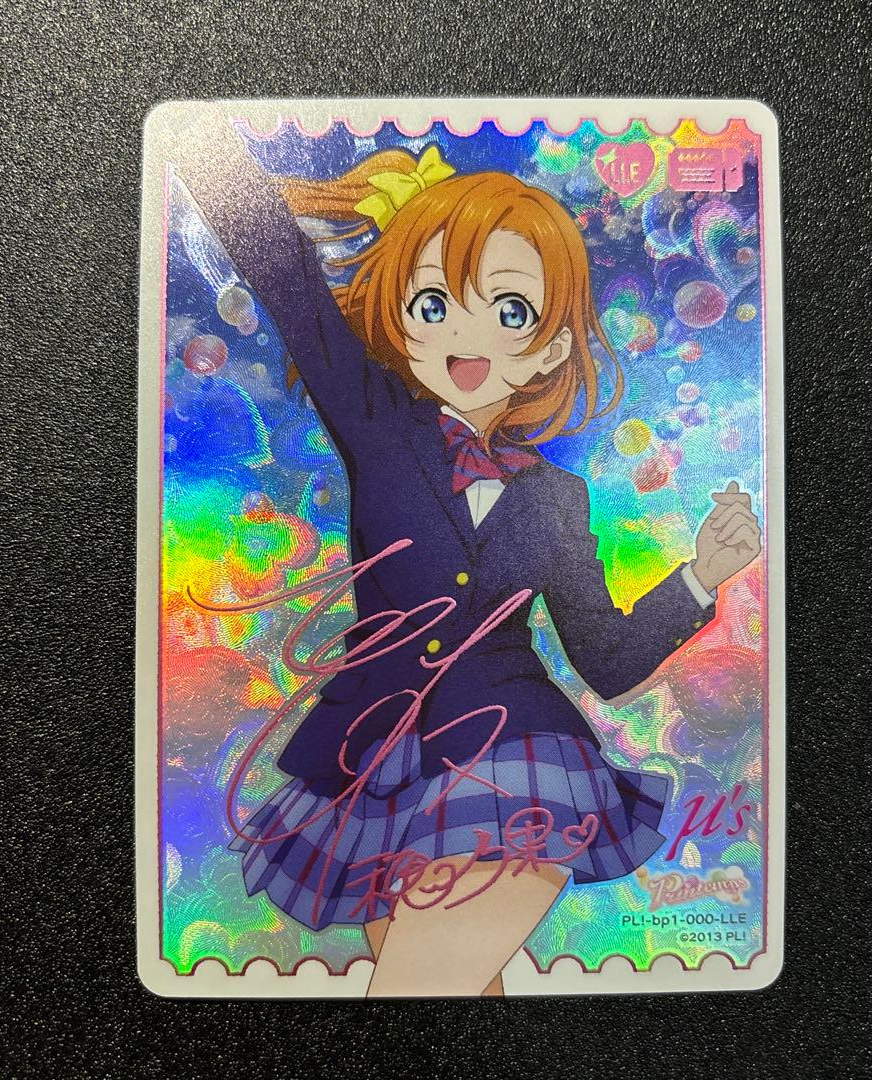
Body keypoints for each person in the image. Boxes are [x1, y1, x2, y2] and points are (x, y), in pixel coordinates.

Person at [164, 113, 762, 997]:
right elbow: (288, 279)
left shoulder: (557, 497)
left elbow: (604, 659)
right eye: (435, 304)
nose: (465, 334)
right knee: (456, 993)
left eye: (509, 309)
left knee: (419, 986)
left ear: (550, 346)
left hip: (518, 747)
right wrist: (199, 142)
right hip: (372, 764)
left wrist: (701, 577)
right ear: (402, 321)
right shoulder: (380, 424)